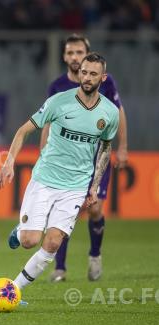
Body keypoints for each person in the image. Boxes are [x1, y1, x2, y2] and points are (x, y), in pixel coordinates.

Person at [0, 53, 119, 298]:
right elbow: (23, 130)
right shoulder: (58, 102)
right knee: (30, 240)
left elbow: (105, 147)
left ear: (102, 78)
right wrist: (9, 161)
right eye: (84, 72)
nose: (86, 77)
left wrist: (94, 186)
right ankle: (20, 231)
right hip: (45, 179)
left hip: (75, 187)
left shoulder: (110, 112)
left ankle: (14, 290)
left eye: (93, 74)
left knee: (52, 243)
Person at [41, 34, 128, 282]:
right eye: (69, 53)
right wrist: (43, 151)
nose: (74, 57)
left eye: (79, 52)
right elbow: (47, 121)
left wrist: (123, 147)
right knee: (63, 211)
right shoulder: (57, 87)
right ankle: (60, 268)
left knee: (95, 209)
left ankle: (95, 254)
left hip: (95, 155)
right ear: (64, 56)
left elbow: (118, 114)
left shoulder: (105, 83)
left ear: (87, 54)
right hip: (65, 160)